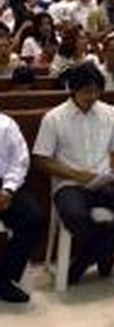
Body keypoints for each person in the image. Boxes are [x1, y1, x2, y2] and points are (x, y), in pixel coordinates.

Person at [33, 62, 114, 285]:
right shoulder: (54, 117)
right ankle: (103, 253)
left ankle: (84, 260)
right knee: (74, 215)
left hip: (105, 180)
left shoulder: (108, 113)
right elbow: (41, 160)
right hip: (70, 184)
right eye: (86, 91)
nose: (92, 96)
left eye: (96, 91)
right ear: (73, 89)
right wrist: (76, 175)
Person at [0, 112, 43, 303]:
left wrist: (8, 190)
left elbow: (19, 162)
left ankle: (3, 277)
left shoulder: (6, 124)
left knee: (32, 218)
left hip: (5, 184)